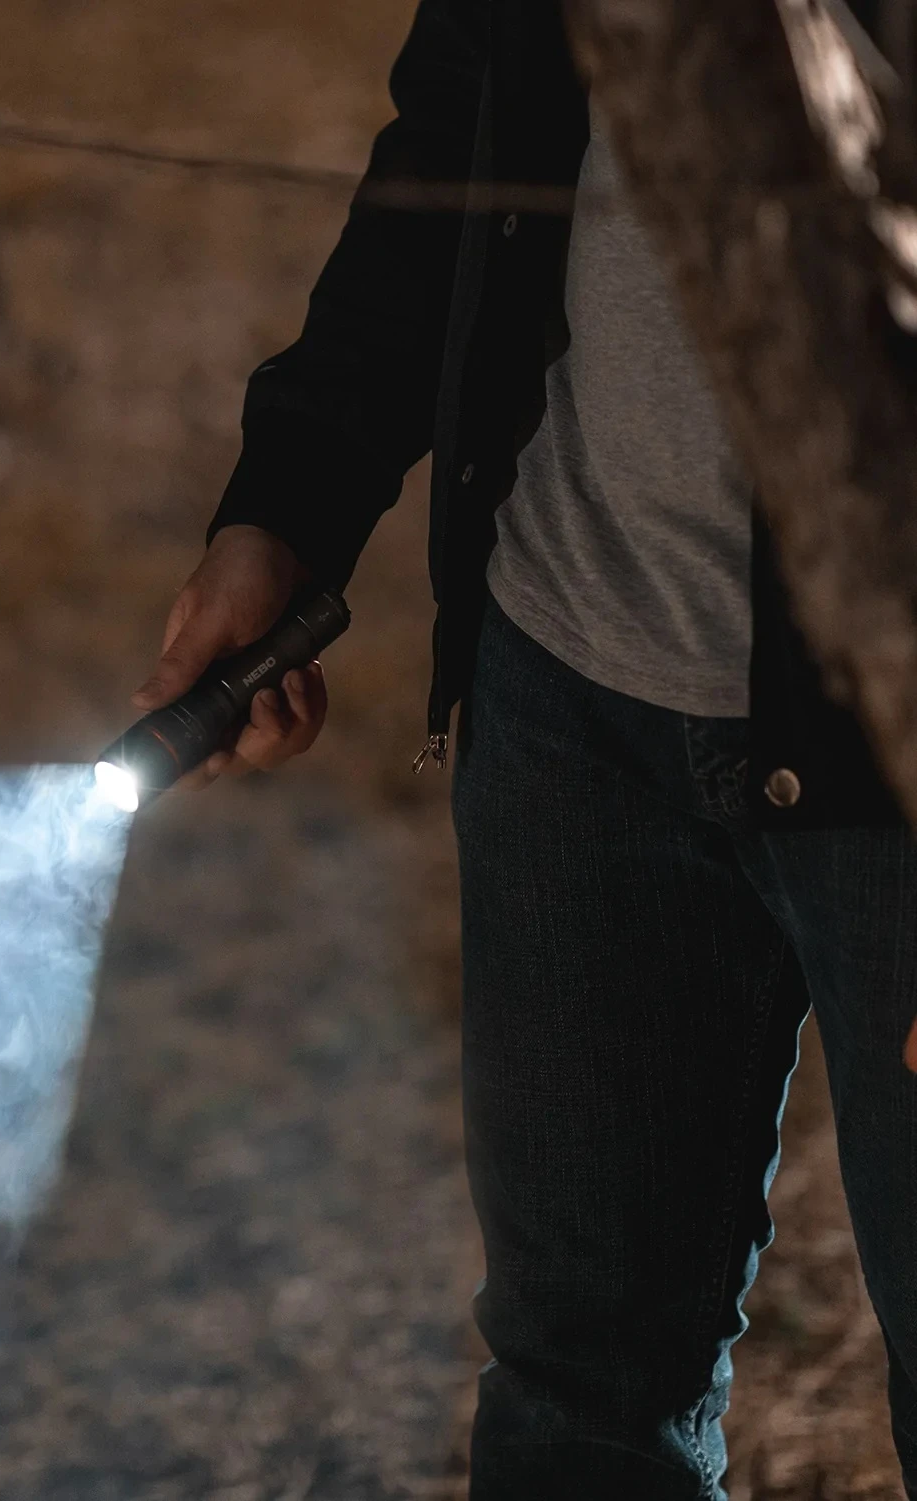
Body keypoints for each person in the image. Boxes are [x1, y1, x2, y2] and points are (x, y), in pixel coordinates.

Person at [131, 1, 917, 1495]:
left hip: (897, 749)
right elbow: (464, 124)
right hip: (574, 687)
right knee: (578, 1388)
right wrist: (290, 504)